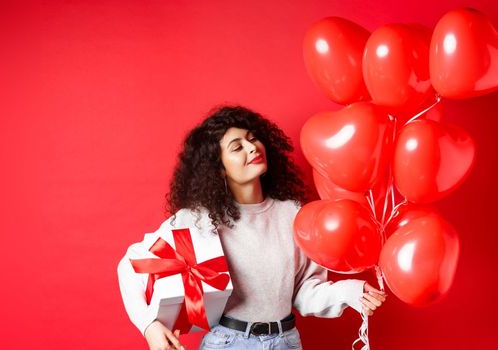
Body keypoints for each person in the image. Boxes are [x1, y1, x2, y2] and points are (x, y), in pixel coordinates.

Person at [117, 106, 386, 350]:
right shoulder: (200, 220)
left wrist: (348, 292)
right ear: (219, 168)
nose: (252, 148)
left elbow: (304, 291)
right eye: (237, 147)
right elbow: (130, 268)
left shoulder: (293, 214)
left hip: (286, 342)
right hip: (227, 343)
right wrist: (149, 326)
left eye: (253, 138)